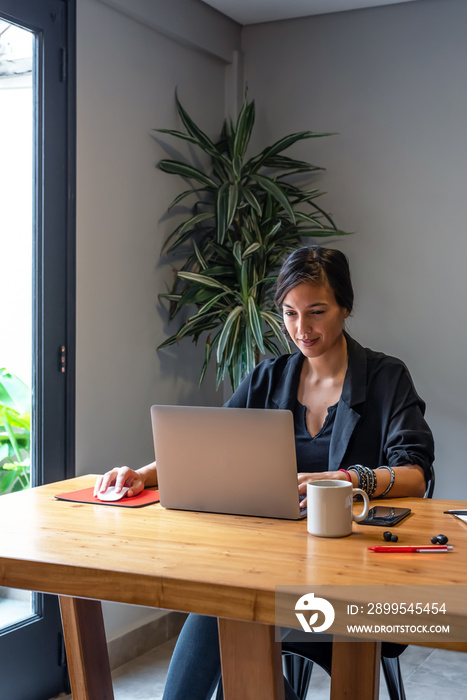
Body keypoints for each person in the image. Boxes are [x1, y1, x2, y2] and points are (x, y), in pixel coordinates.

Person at [95, 245, 434, 700]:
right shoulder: (269, 377)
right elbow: (210, 448)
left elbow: (414, 473)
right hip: (268, 566)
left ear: (345, 307)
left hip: (356, 579)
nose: (302, 329)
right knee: (225, 609)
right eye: (290, 313)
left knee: (229, 614)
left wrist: (347, 480)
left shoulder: (387, 378)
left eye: (316, 311)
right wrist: (142, 474)